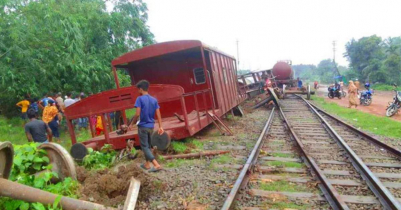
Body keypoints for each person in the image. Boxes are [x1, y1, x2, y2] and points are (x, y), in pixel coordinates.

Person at [129, 80, 164, 172]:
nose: (138, 91)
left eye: (138, 89)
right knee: (148, 146)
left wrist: (131, 124)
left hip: (143, 127)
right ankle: (147, 164)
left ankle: (156, 164)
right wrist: (160, 126)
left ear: (140, 89)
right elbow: (158, 114)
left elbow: (137, 114)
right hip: (151, 127)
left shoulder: (139, 99)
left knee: (144, 147)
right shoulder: (154, 100)